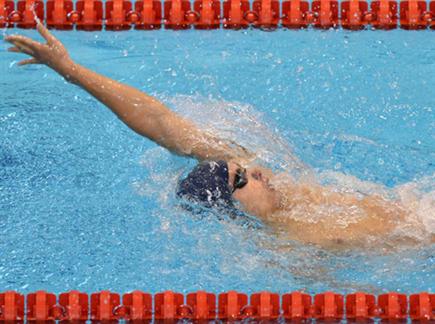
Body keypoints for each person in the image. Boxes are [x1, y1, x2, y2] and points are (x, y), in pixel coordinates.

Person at [5, 21, 433, 250]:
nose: (256, 172)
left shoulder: (279, 195)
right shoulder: (290, 247)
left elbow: (159, 122)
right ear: (233, 213)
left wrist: (71, 71)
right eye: (241, 180)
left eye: (243, 169)